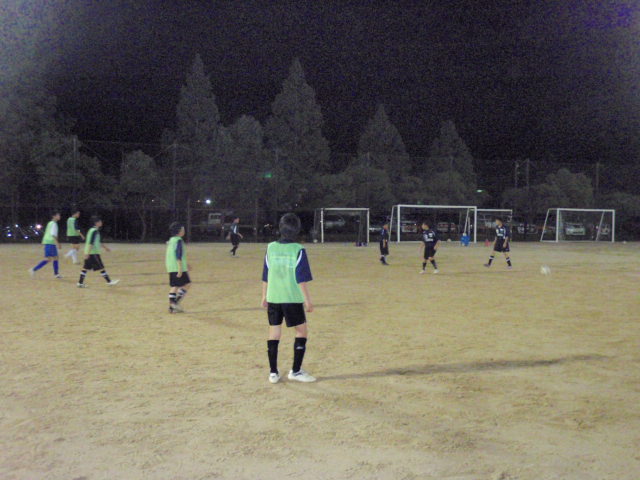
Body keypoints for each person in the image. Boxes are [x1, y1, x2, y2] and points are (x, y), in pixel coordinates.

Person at [261, 213, 315, 384]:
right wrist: (307, 300)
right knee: (301, 331)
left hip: (273, 296)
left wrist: (264, 296)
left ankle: (273, 373)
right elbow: (301, 279)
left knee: (274, 332)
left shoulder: (271, 247)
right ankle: (296, 371)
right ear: (297, 230)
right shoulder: (298, 250)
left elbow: (266, 274)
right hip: (291, 297)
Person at [77, 216, 120, 287]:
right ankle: (109, 281)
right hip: (93, 253)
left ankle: (80, 283)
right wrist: (88, 253)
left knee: (85, 268)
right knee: (101, 267)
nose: (101, 222)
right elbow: (91, 243)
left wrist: (105, 248)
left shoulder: (91, 230)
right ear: (96, 223)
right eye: (100, 221)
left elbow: (97, 242)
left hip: (90, 252)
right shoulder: (94, 231)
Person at [166, 222, 191, 313]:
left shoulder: (171, 240)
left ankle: (173, 306)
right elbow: (178, 255)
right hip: (178, 267)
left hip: (171, 267)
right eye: (183, 229)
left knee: (175, 286)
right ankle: (174, 304)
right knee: (186, 284)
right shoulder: (179, 241)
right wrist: (180, 268)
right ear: (179, 231)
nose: (184, 231)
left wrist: (185, 264)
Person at [29, 210, 63, 278]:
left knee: (54, 258)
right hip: (50, 242)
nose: (59, 216)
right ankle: (33, 269)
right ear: (54, 216)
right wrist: (58, 243)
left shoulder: (50, 223)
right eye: (58, 215)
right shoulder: (54, 224)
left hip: (48, 242)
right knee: (49, 259)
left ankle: (56, 274)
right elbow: (53, 234)